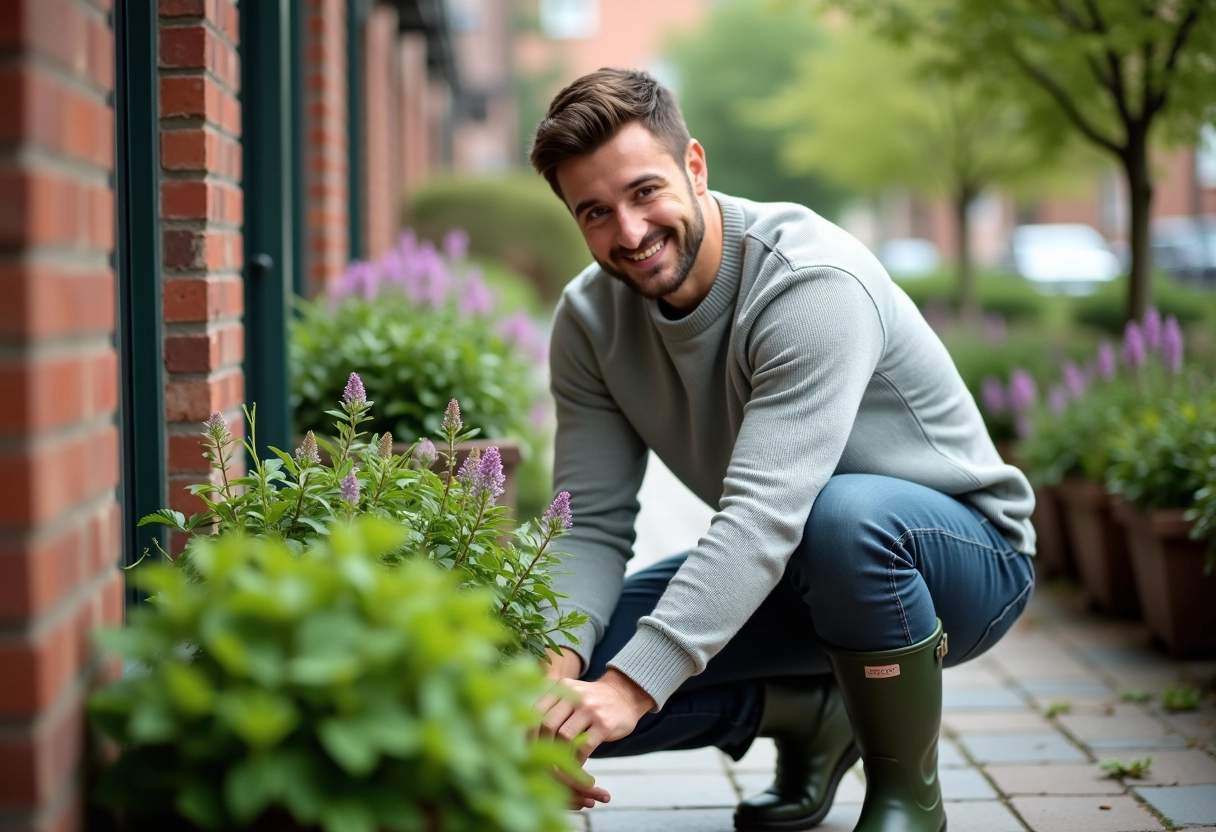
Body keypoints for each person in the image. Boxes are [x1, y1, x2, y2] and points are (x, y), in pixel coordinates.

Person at [528, 68, 1036, 832]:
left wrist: (633, 688)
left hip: (959, 563)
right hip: (797, 566)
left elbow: (763, 517)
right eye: (595, 212)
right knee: (552, 683)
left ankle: (907, 800)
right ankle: (806, 713)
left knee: (843, 515)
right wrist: (552, 675)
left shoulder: (808, 281)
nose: (628, 233)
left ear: (694, 167)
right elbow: (589, 521)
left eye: (644, 192)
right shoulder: (588, 322)